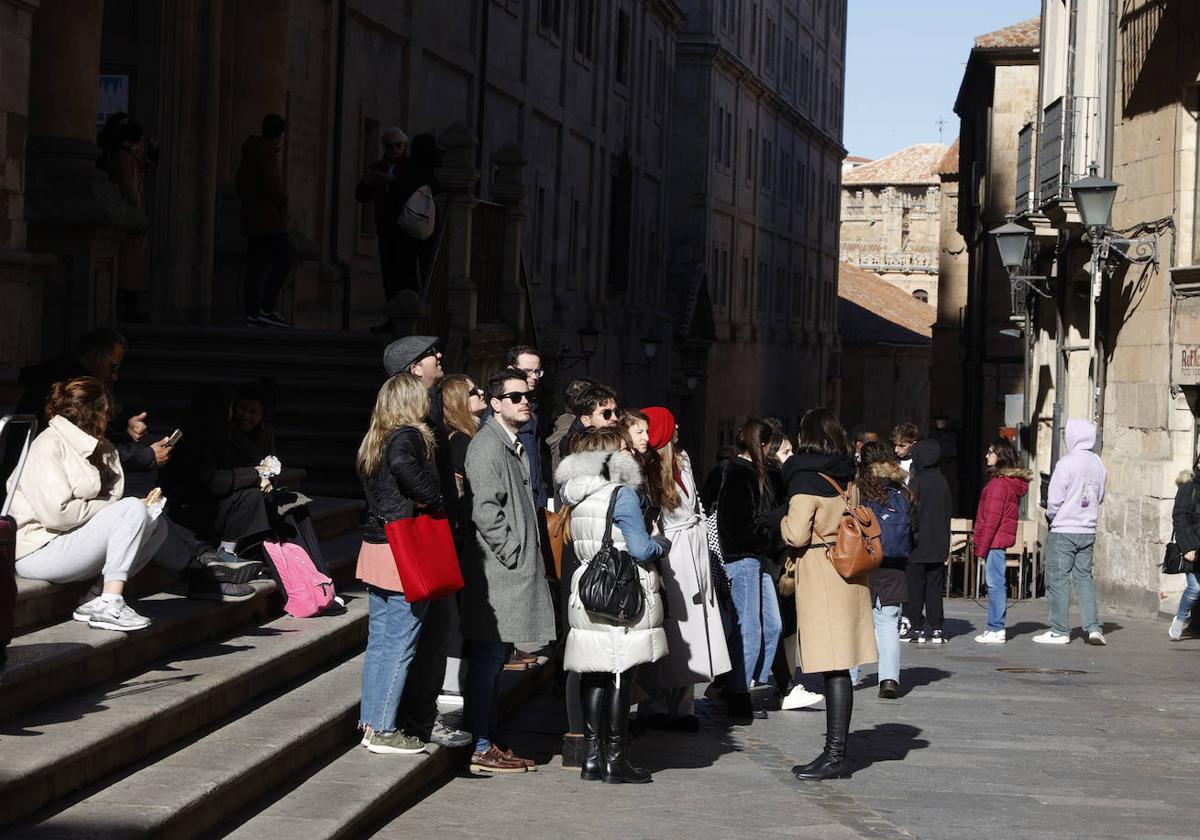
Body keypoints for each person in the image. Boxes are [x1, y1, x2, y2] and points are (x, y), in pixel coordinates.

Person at [7, 377, 167, 631]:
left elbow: (112, 496)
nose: (109, 418)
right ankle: (111, 600)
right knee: (132, 509)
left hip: (73, 540)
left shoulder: (100, 447)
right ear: (92, 413)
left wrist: (121, 506)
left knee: (156, 522)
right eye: (106, 412)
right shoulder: (48, 445)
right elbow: (58, 515)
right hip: (38, 550)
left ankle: (97, 597)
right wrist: (114, 507)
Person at [556, 428, 669, 784]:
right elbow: (639, 548)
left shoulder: (578, 494)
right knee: (621, 671)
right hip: (620, 588)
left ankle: (592, 758)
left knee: (594, 672)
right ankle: (616, 760)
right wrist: (660, 543)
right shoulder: (621, 495)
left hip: (588, 587)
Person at [460, 371, 556, 773]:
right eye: (512, 396)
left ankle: (489, 738)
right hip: (497, 572)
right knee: (486, 659)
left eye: (525, 396)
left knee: (494, 659)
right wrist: (513, 551)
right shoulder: (487, 446)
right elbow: (485, 509)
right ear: (495, 403)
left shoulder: (509, 444)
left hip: (506, 571)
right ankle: (481, 743)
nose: (523, 401)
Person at [379, 335, 468, 748]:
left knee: (435, 632)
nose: (439, 357)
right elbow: (397, 463)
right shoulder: (407, 422)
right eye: (433, 355)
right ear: (415, 367)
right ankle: (403, 721)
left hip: (436, 532)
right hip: (417, 534)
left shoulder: (426, 412)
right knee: (419, 635)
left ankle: (417, 718)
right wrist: (432, 499)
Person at [780, 407, 877, 781]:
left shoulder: (804, 479)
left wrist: (782, 523)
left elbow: (796, 534)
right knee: (841, 666)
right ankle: (836, 751)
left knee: (834, 667)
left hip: (822, 573)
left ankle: (835, 755)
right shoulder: (845, 473)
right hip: (848, 570)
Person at [354, 373, 444, 754]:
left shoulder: (373, 438)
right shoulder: (406, 436)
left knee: (380, 643)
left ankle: (372, 723)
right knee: (400, 644)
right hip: (401, 548)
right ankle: (385, 729)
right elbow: (409, 472)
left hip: (376, 546)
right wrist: (430, 493)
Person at [636, 408, 731, 732]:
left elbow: (697, 506)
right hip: (670, 552)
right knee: (670, 628)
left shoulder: (685, 460)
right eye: (670, 424)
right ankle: (656, 703)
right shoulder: (648, 469)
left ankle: (685, 704)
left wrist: (703, 543)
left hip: (694, 551)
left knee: (695, 627)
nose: (678, 427)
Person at [703, 418, 783, 721]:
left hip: (757, 557)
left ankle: (738, 682)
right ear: (760, 445)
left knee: (771, 625)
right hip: (742, 556)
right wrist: (767, 533)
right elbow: (737, 525)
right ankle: (737, 691)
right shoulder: (738, 472)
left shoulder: (756, 472)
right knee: (747, 628)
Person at [16, 328, 173, 473]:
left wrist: (126, 431)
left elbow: (96, 437)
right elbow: (91, 449)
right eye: (112, 366)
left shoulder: (66, 378)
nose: (114, 376)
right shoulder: (75, 390)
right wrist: (147, 456)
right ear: (95, 356)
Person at [1035, 420, 1108, 646]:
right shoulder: (1098, 463)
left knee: (1058, 578)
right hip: (1087, 529)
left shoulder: (1066, 463)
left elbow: (1055, 499)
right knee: (1084, 577)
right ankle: (1093, 627)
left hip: (1064, 528)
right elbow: (1101, 496)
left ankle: (1059, 629)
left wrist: (1052, 515)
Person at [856, 441, 913, 700]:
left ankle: (849, 676)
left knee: (856, 621)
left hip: (863, 562)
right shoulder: (902, 491)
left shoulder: (859, 489)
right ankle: (889, 678)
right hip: (894, 566)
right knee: (889, 622)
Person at [972, 438, 1030, 645]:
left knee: (995, 583)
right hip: (997, 540)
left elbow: (991, 519)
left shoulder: (998, 485)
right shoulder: (1004, 483)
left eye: (991, 452)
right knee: (996, 582)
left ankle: (996, 627)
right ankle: (995, 626)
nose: (987, 455)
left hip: (995, 541)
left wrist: (982, 546)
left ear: (1001, 457)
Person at [237, 113, 291, 328]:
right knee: (284, 259)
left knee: (255, 266)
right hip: (268, 220)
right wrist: (283, 200)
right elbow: (270, 186)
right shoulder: (266, 155)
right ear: (279, 134)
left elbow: (240, 183)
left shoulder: (251, 152)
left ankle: (253, 311)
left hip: (253, 219)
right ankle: (266, 308)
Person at [901, 438, 952, 645]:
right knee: (934, 587)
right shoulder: (943, 482)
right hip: (938, 544)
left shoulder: (917, 481)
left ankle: (916, 627)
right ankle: (937, 628)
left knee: (914, 587)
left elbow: (911, 512)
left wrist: (910, 535)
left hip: (918, 545)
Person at [355, 127, 409, 317]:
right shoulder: (377, 166)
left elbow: (411, 189)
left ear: (404, 146)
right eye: (389, 146)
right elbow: (361, 196)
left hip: (406, 228)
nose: (393, 149)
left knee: (404, 274)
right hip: (385, 226)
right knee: (388, 274)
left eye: (397, 145)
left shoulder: (409, 167)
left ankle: (405, 315)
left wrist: (392, 181)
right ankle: (392, 315)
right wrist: (368, 182)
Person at [108, 121, 150, 321]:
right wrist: (137, 211)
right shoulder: (125, 158)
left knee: (132, 266)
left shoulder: (131, 158)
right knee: (128, 267)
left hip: (133, 218)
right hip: (131, 219)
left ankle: (130, 305)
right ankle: (127, 307)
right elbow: (129, 186)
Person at [1169, 452, 1200, 640]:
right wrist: (1188, 547)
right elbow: (1179, 517)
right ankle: (1180, 618)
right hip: (1194, 546)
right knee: (1195, 588)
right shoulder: (1189, 487)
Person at [557, 383, 621, 463]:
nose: (615, 418)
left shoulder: (620, 433)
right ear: (586, 420)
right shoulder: (575, 448)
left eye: (616, 411)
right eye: (606, 414)